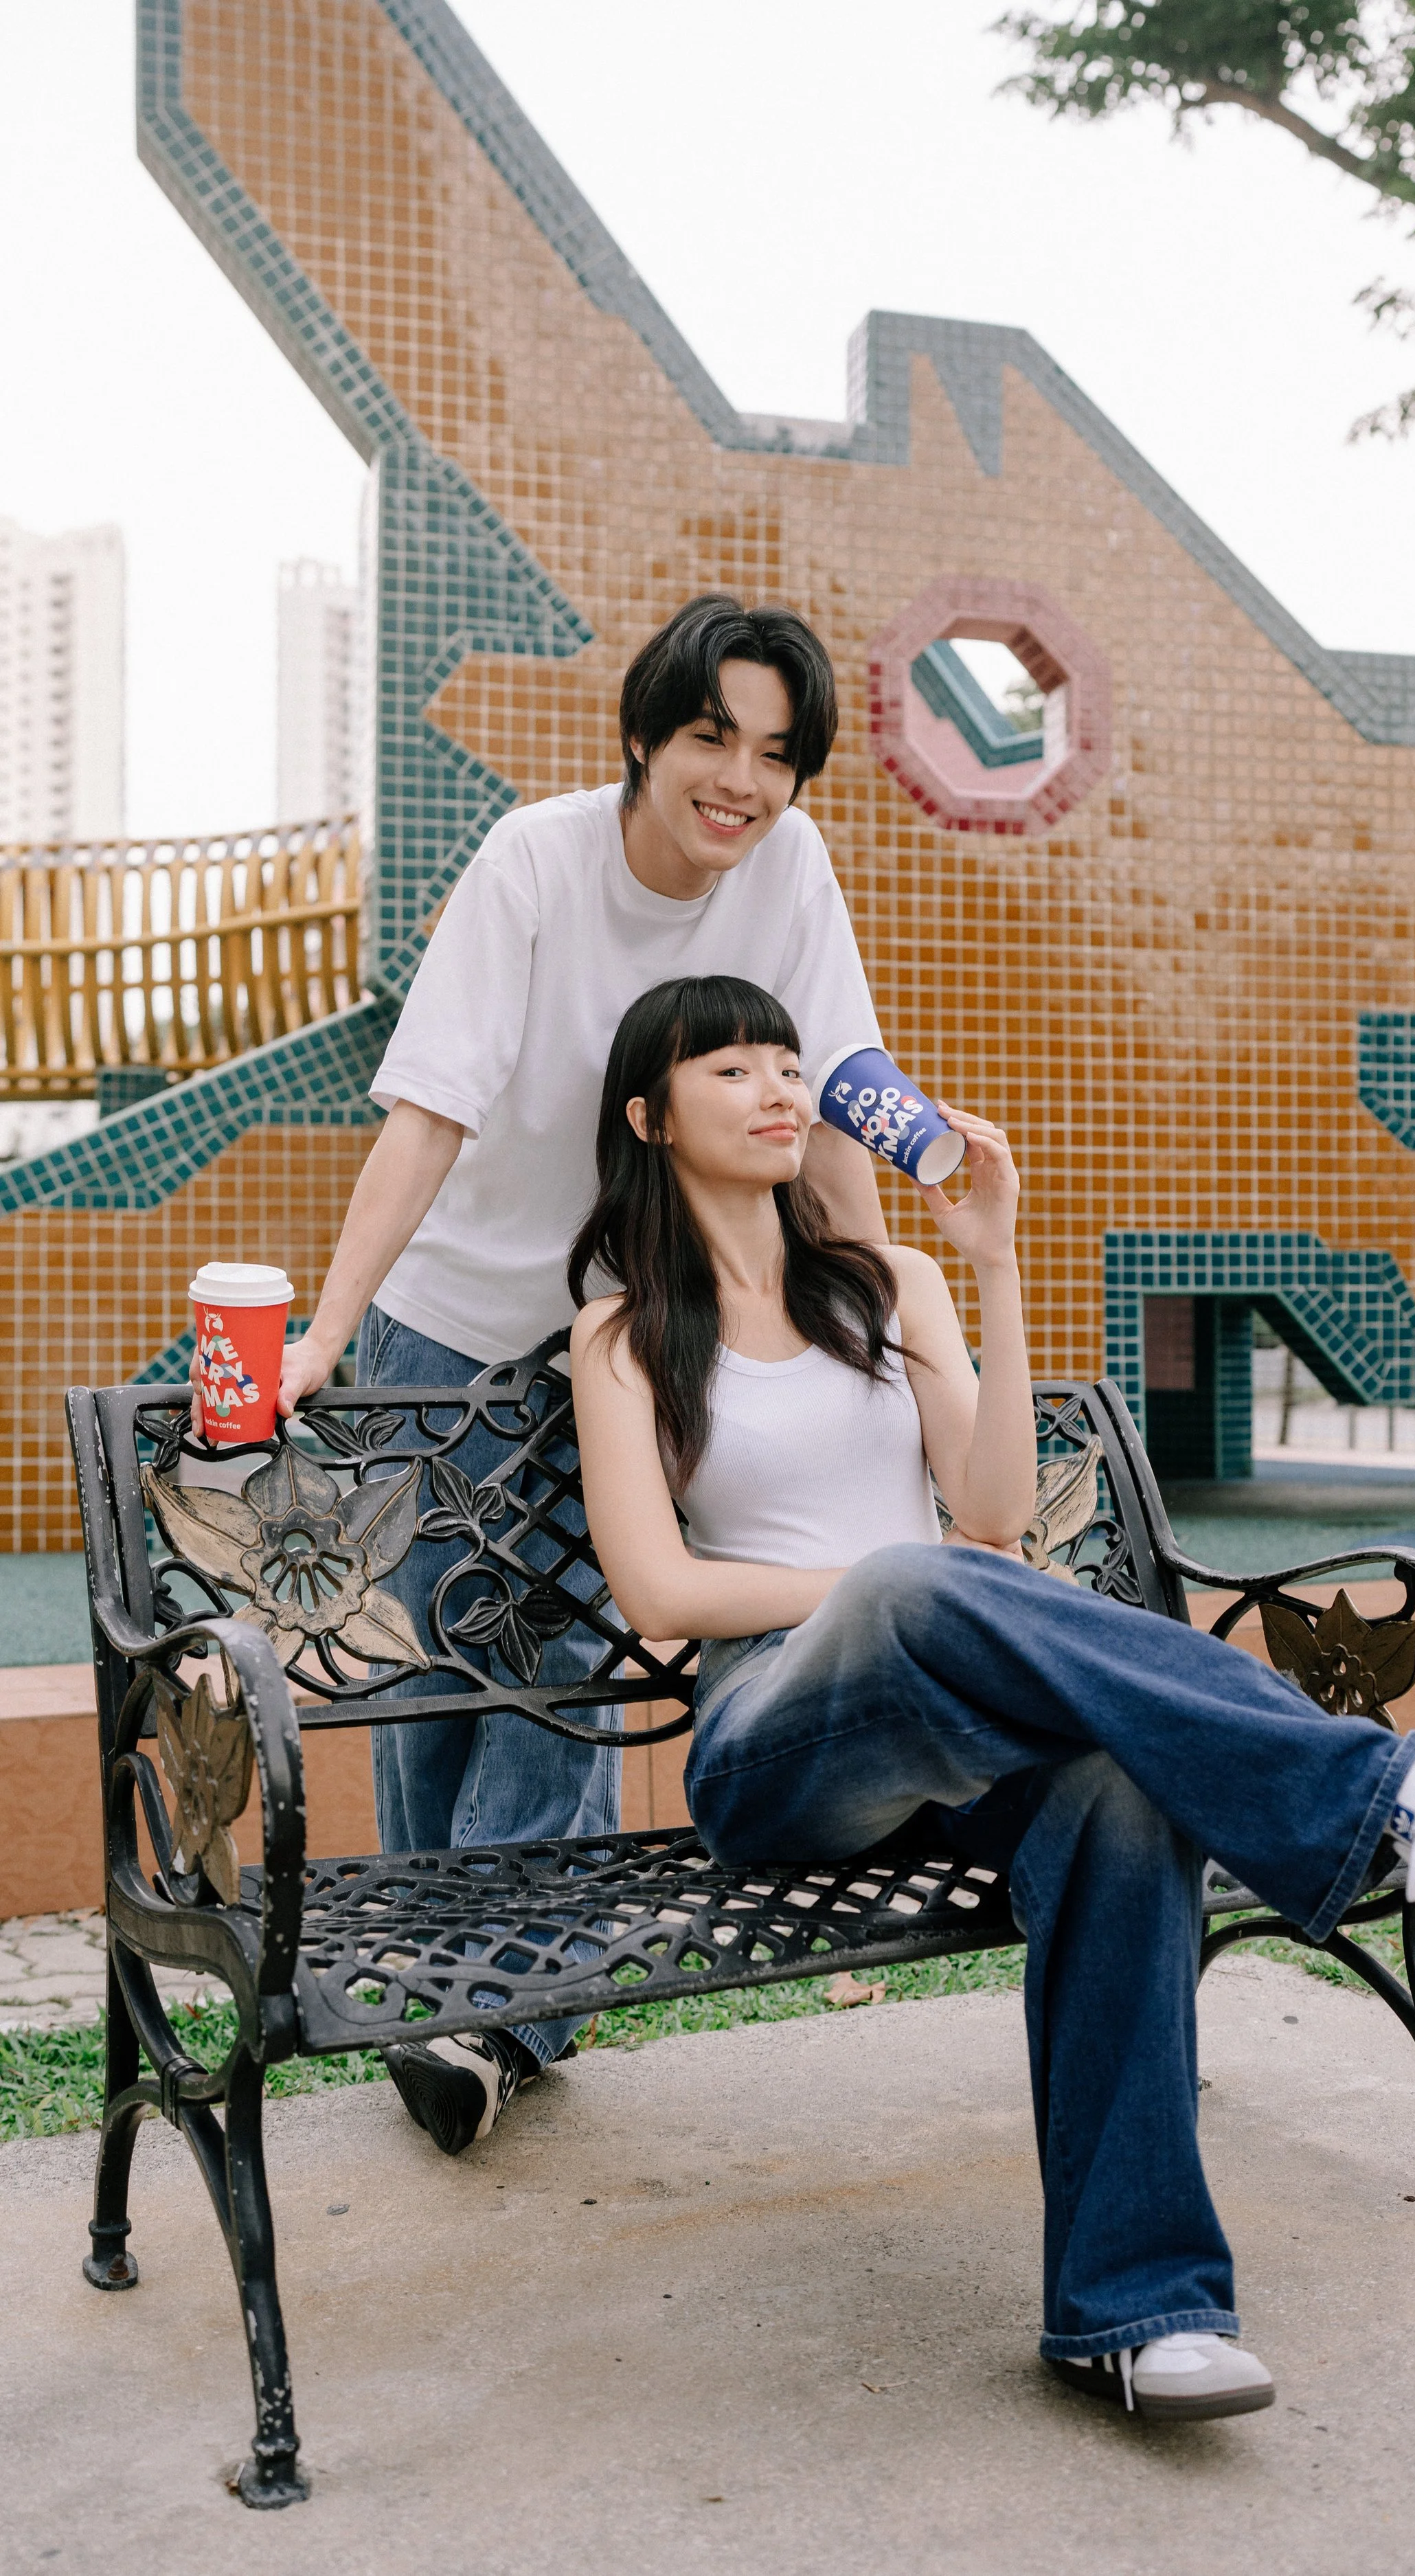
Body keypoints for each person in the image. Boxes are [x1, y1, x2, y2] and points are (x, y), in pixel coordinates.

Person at [568, 973, 1415, 2425]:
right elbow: (662, 1592)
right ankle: (1391, 1794)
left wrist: (990, 1263)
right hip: (777, 1749)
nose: (778, 1088)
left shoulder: (888, 1286)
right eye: (729, 1068)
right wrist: (883, 1580)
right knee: (911, 1583)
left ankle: (1138, 2312)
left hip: (950, 1716)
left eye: (786, 1062)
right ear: (649, 1118)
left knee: (1116, 1790)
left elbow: (992, 1513)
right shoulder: (621, 1335)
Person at [278, 597, 889, 2155]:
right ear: (642, 737)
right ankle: (446, 1989)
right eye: (711, 739)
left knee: (555, 1657)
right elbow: (428, 1110)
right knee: (432, 1674)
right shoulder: (535, 863)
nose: (741, 783)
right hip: (451, 1318)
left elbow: (828, 1102)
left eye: (775, 755)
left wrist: (875, 1317)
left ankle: (499, 2004)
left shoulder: (790, 872)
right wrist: (330, 1332)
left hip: (628, 1326)